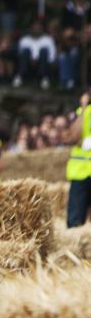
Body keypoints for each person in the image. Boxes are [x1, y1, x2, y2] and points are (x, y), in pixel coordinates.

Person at [64, 95, 90, 227]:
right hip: (80, 173)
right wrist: (84, 108)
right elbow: (71, 137)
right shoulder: (82, 112)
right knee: (75, 221)